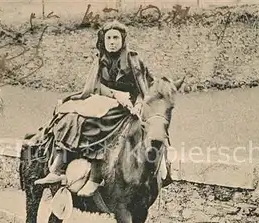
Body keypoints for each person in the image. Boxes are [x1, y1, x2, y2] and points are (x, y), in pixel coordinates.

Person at [34, 20, 173, 194]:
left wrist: (137, 103)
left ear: (123, 40)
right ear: (104, 40)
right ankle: (58, 168)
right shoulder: (101, 59)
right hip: (105, 101)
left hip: (128, 108)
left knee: (103, 125)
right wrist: (116, 94)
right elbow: (95, 86)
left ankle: (96, 177)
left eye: (116, 37)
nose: (112, 42)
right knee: (71, 117)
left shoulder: (134, 60)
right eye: (109, 38)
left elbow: (145, 85)